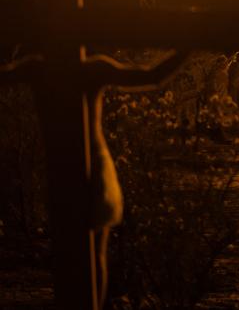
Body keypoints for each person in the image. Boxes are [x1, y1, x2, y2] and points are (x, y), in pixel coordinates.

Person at [0, 45, 188, 309]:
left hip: (61, 167)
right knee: (93, 254)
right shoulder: (90, 69)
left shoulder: (38, 69)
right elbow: (152, 75)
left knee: (69, 254)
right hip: (92, 167)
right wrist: (188, 46)